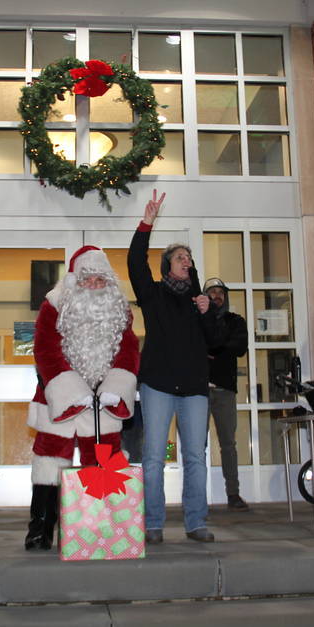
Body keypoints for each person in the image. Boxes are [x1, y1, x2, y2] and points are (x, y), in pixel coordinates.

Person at [24, 246, 140, 551]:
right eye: (89, 279)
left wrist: (116, 386)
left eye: (101, 280)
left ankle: (101, 530)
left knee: (104, 463)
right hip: (58, 398)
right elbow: (45, 350)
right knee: (49, 461)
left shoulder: (119, 311)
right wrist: (73, 392)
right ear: (76, 280)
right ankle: (40, 529)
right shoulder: (53, 305)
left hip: (104, 400)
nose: (95, 286)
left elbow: (129, 351)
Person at [128, 190, 219, 544]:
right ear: (169, 264)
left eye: (190, 256)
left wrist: (207, 312)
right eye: (181, 256)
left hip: (195, 387)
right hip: (158, 384)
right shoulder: (153, 294)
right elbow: (136, 262)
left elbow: (215, 341)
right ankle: (153, 524)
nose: (187, 259)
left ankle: (196, 522)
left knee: (196, 456)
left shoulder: (201, 301)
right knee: (153, 458)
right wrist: (145, 223)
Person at [202, 277, 250, 512]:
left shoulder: (235, 321)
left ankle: (233, 493)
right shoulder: (196, 320)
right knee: (196, 445)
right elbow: (192, 346)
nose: (217, 295)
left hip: (224, 391)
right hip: (198, 392)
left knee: (228, 445)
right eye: (212, 291)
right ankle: (196, 495)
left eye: (221, 292)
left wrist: (215, 349)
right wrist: (217, 348)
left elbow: (239, 347)